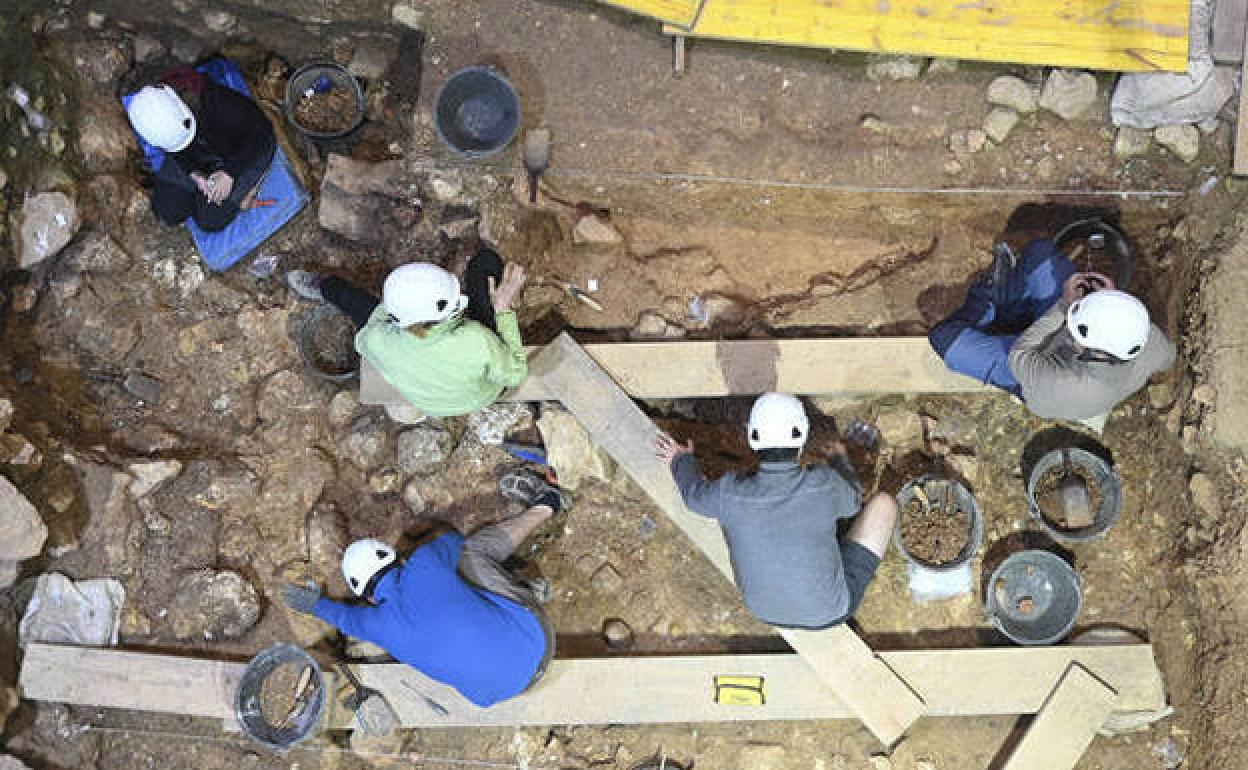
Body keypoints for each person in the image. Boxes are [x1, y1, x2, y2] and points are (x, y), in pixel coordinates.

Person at [281, 469, 569, 708]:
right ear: (397, 558)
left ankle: (523, 587)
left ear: (368, 598)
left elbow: (346, 618)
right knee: (472, 555)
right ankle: (547, 504)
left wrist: (316, 604)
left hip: (505, 691)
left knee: (457, 591)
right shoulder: (424, 563)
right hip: (536, 638)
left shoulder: (377, 625)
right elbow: (455, 542)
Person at [654, 393, 897, 629]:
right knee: (885, 505)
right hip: (832, 610)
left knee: (733, 517)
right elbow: (854, 502)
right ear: (801, 438)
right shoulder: (825, 484)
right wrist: (839, 459)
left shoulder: (727, 493)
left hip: (764, 611)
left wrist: (680, 460)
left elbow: (693, 496)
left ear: (752, 436)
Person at [928, 234, 1175, 422]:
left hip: (1027, 371)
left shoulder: (1060, 386)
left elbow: (1020, 355)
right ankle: (1012, 303)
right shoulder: (1146, 338)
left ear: (1078, 339)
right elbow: (1168, 358)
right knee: (1040, 253)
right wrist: (1109, 299)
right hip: (1061, 340)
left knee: (945, 339)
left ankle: (991, 299)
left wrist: (1062, 306)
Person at [286, 245, 528, 417]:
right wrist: (503, 309)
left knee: (353, 302)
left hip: (435, 407)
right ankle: (489, 273)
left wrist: (387, 316)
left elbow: (369, 333)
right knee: (485, 262)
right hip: (483, 394)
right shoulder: (475, 340)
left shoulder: (380, 342)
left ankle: (323, 285)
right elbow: (515, 375)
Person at [125, 67, 276, 232]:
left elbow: (261, 132)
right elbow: (175, 151)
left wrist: (230, 173)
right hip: (198, 152)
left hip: (239, 149)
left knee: (209, 219)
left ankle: (248, 190)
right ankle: (211, 189)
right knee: (167, 210)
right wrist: (194, 174)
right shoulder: (153, 115)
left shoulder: (217, 103)